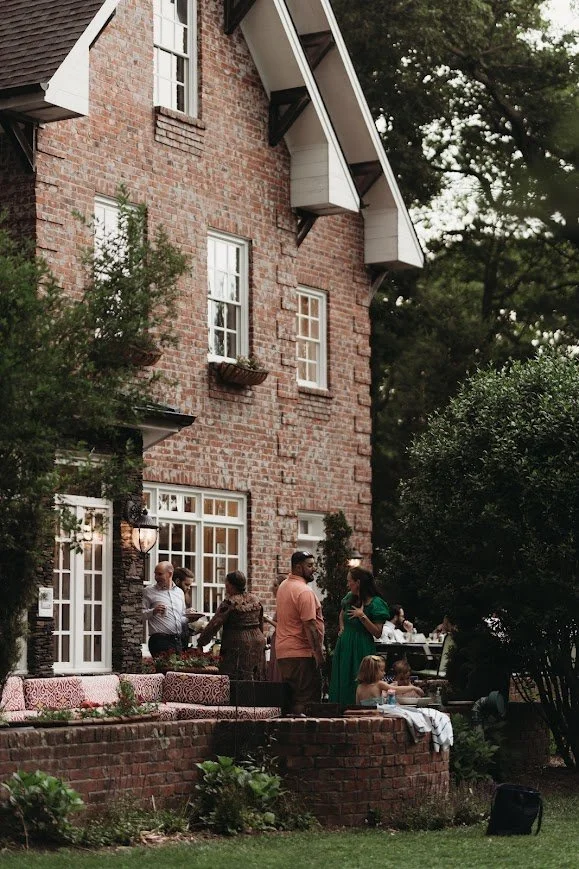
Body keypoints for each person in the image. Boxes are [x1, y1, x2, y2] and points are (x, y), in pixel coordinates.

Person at [329, 567, 390, 706]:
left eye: (349, 581)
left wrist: (362, 616)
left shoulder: (376, 603)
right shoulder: (350, 598)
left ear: (358, 583)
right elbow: (342, 614)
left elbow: (377, 632)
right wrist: (343, 627)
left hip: (361, 645)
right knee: (343, 678)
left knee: (359, 679)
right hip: (345, 645)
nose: (347, 584)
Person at [275, 551, 324, 714]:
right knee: (306, 700)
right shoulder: (304, 592)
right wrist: (318, 653)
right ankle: (302, 737)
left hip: (284, 652)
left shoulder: (283, 586)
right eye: (309, 566)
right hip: (301, 653)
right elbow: (310, 625)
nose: (314, 569)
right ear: (297, 567)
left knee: (290, 699)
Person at [196, 570, 266, 680]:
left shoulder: (230, 603)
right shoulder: (255, 599)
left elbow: (215, 624)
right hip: (258, 640)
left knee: (236, 678)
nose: (226, 588)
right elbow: (260, 621)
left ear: (231, 585)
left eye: (227, 585)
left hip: (238, 642)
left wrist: (201, 642)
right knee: (256, 676)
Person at [142, 561, 189, 657]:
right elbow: (139, 614)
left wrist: (190, 618)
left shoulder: (179, 592)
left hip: (178, 640)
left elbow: (182, 617)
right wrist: (153, 611)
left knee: (176, 671)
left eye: (160, 574)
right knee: (166, 669)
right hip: (159, 640)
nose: (156, 577)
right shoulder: (148, 591)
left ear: (170, 574)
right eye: (155, 574)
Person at [264, 576, 282, 682]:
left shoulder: (284, 603)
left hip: (280, 638)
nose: (272, 588)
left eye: (275, 585)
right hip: (276, 638)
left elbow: (282, 626)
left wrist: (267, 619)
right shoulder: (279, 603)